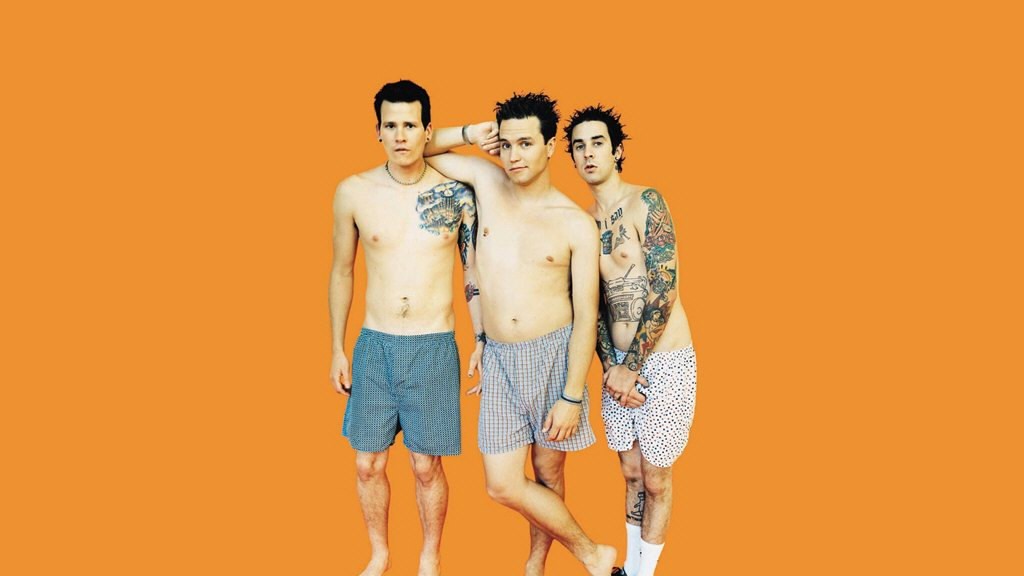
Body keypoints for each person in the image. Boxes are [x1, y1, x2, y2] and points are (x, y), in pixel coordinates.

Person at [424, 92, 616, 576]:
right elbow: (419, 148)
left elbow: (586, 316)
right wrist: (471, 134)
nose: (513, 155)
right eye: (506, 144)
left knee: (548, 472)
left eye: (525, 144)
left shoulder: (575, 224)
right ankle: (594, 554)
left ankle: (535, 564)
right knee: (502, 484)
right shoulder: (487, 181)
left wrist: (572, 395)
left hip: (552, 355)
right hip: (500, 359)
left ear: (550, 146)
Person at [328, 79, 494, 576]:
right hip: (375, 344)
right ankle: (380, 555)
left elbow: (472, 270)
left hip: (433, 345)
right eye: (391, 125)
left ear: (428, 130)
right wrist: (336, 348)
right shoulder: (353, 191)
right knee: (367, 464)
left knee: (426, 466)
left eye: (411, 125)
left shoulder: (456, 194)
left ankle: (429, 558)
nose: (400, 135)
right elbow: (341, 271)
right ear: (377, 131)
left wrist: (481, 338)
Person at [564, 105, 697, 576]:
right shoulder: (581, 223)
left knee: (656, 478)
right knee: (631, 474)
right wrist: (611, 368)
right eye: (579, 146)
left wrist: (631, 367)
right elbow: (591, 306)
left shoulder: (646, 202)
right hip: (616, 365)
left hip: (664, 361)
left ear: (617, 151)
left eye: (598, 143)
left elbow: (665, 287)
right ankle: (631, 569)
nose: (588, 153)